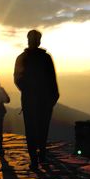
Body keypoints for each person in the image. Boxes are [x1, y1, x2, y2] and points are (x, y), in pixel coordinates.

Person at [14, 29, 59, 170]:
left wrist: (28, 90)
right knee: (41, 127)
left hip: (32, 100)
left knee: (32, 128)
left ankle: (36, 158)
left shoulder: (22, 58)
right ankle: (39, 156)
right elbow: (52, 79)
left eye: (35, 39)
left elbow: (17, 79)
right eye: (34, 39)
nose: (35, 41)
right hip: (42, 100)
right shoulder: (45, 58)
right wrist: (53, 96)